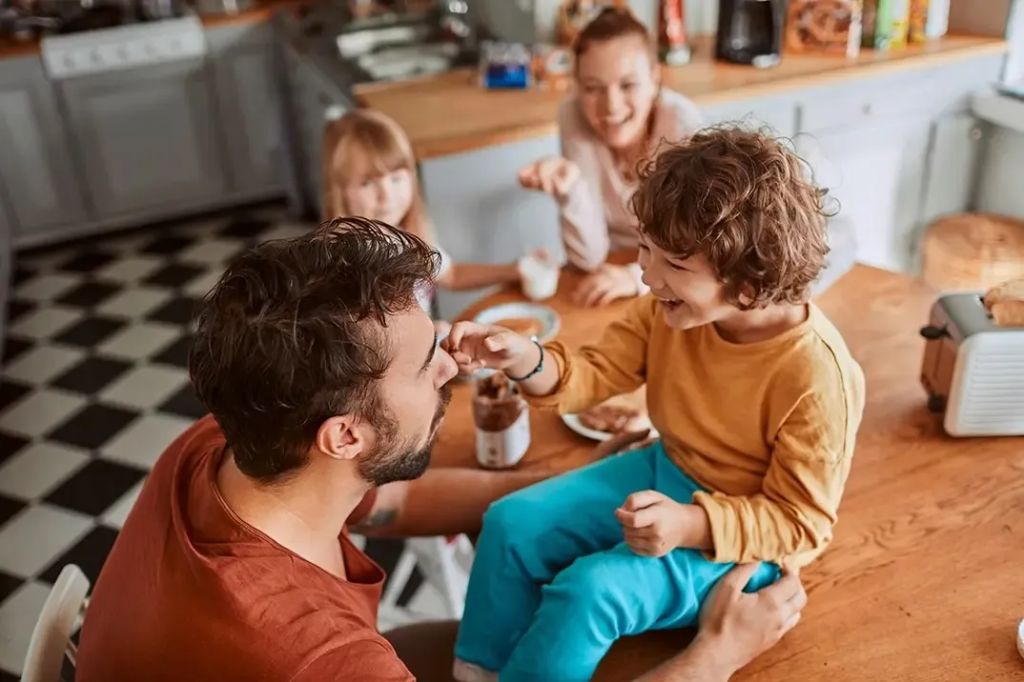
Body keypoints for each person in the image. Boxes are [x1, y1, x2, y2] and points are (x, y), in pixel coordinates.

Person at [75, 218, 806, 681]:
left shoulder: (231, 438)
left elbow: (389, 500)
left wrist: (569, 482)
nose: (452, 368)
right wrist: (714, 658)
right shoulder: (324, 660)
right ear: (345, 434)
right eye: (428, 365)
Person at [445, 128, 866, 682]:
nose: (647, 274)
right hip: (666, 469)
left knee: (591, 590)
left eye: (675, 264)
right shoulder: (667, 310)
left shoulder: (817, 376)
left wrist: (690, 524)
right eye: (646, 248)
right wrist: (524, 358)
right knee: (509, 522)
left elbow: (801, 522)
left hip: (743, 541)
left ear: (747, 283)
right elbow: (595, 372)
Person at [518, 7, 702, 307]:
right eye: (593, 88)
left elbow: (698, 248)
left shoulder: (682, 123)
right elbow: (587, 258)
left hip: (673, 281)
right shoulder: (573, 114)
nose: (611, 106)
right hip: (609, 272)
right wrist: (571, 190)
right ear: (578, 87)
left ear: (654, 79)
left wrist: (634, 277)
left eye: (627, 85)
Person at [322, 109, 545, 317]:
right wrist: (428, 333)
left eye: (396, 178)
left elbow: (452, 275)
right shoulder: (350, 265)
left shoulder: (405, 237)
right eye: (367, 183)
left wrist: (514, 270)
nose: (386, 196)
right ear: (339, 192)